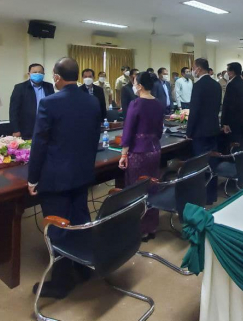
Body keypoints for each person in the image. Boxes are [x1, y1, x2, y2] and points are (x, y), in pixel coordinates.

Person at [28, 57, 101, 299]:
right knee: (80, 221)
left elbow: (40, 143)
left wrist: (32, 178)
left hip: (56, 177)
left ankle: (61, 283)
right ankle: (83, 267)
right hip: (82, 173)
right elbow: (93, 136)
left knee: (57, 228)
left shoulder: (49, 102)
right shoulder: (91, 101)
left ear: (57, 77)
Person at [118, 71, 165, 239]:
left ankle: (139, 228)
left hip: (138, 152)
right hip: (154, 150)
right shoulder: (158, 103)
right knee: (152, 186)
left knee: (136, 189)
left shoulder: (136, 104)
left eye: (134, 83)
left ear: (139, 86)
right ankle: (151, 226)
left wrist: (123, 154)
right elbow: (159, 130)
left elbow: (128, 130)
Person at [186, 58, 222, 203]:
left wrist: (189, 132)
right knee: (212, 162)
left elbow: (194, 111)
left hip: (200, 132)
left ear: (199, 69)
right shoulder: (216, 84)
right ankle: (211, 195)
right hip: (213, 128)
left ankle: (201, 196)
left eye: (193, 68)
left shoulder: (198, 85)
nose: (192, 71)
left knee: (200, 165)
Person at [9, 63, 55, 139]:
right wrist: (15, 129)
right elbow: (13, 110)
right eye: (35, 72)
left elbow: (53, 106)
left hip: (46, 127)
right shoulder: (20, 88)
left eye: (40, 72)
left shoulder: (49, 86)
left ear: (43, 74)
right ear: (29, 74)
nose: (38, 74)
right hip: (26, 129)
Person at [221, 62, 243, 143]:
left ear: (232, 72)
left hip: (234, 121)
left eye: (228, 70)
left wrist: (225, 122)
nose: (227, 72)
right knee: (242, 143)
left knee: (234, 143)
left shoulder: (231, 84)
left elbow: (228, 104)